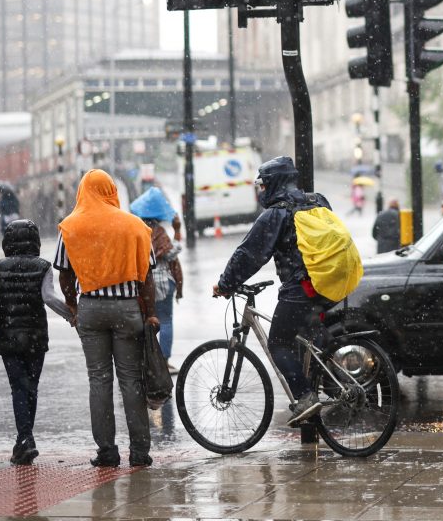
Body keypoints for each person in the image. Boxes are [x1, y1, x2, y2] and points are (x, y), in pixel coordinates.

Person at [213, 156, 333, 427]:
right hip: (330, 282)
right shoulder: (318, 200)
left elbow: (250, 254)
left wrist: (225, 284)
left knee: (278, 342)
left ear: (274, 183)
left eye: (263, 186)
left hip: (302, 287)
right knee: (308, 340)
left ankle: (305, 397)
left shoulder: (276, 213)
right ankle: (326, 378)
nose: (261, 191)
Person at [55, 170, 157, 469]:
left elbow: (64, 274)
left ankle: (107, 451)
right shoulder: (134, 226)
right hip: (127, 309)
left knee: (98, 380)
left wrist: (73, 306)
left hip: (91, 309)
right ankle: (139, 451)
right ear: (112, 191)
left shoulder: (71, 227)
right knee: (130, 380)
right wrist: (150, 312)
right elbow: (147, 275)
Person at [0, 219, 72, 466]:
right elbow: (49, 298)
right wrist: (71, 315)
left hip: (7, 337)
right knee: (31, 387)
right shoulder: (43, 267)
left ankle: (24, 439)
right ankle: (25, 439)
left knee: (18, 387)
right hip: (36, 337)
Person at [130, 187, 184, 373]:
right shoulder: (159, 231)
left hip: (143, 284)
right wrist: (177, 232)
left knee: (146, 322)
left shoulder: (136, 230)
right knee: (166, 321)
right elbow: (171, 254)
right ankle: (164, 362)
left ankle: (147, 362)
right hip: (163, 282)